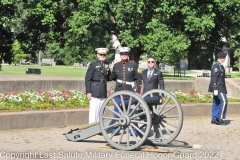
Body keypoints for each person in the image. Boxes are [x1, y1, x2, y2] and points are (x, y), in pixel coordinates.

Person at [110, 47, 142, 135]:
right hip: (118, 91)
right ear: (120, 55)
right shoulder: (116, 65)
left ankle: (133, 130)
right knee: (116, 111)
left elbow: (139, 79)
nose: (124, 55)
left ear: (127, 55)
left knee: (131, 112)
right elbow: (111, 77)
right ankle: (115, 129)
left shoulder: (133, 65)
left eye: (125, 54)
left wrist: (138, 92)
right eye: (122, 54)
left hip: (129, 91)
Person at [85, 48, 111, 124]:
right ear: (97, 55)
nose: (103, 56)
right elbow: (88, 79)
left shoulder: (106, 65)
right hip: (94, 89)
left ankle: (99, 126)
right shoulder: (93, 65)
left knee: (101, 110)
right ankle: (92, 126)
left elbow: (109, 77)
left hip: (103, 89)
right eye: (101, 55)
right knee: (94, 110)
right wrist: (88, 92)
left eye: (104, 55)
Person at [208, 52, 228, 125]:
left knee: (216, 102)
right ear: (221, 58)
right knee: (224, 101)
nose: (225, 59)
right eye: (224, 57)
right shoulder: (216, 65)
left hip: (220, 87)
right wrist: (215, 88)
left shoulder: (219, 65)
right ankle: (219, 118)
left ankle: (214, 119)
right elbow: (214, 77)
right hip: (218, 87)